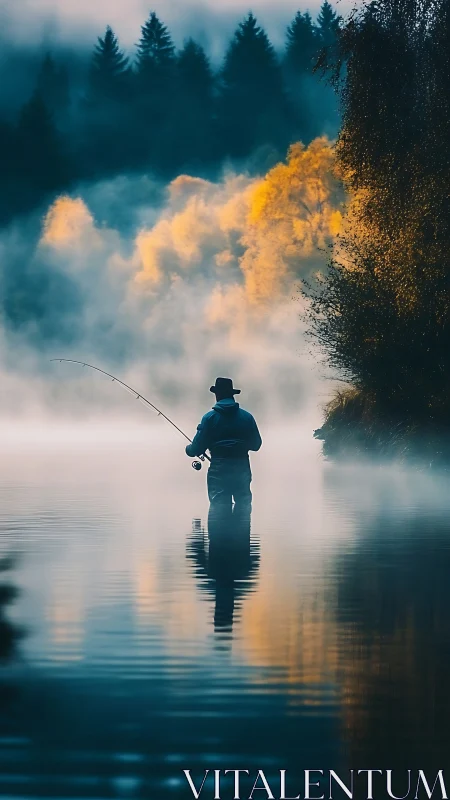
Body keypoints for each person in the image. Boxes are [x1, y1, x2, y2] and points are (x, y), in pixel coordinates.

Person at [186, 377, 262, 508]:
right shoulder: (247, 417)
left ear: (217, 394)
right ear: (232, 395)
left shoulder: (209, 418)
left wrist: (188, 449)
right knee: (243, 508)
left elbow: (196, 448)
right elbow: (256, 445)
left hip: (219, 470)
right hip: (242, 468)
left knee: (219, 510)